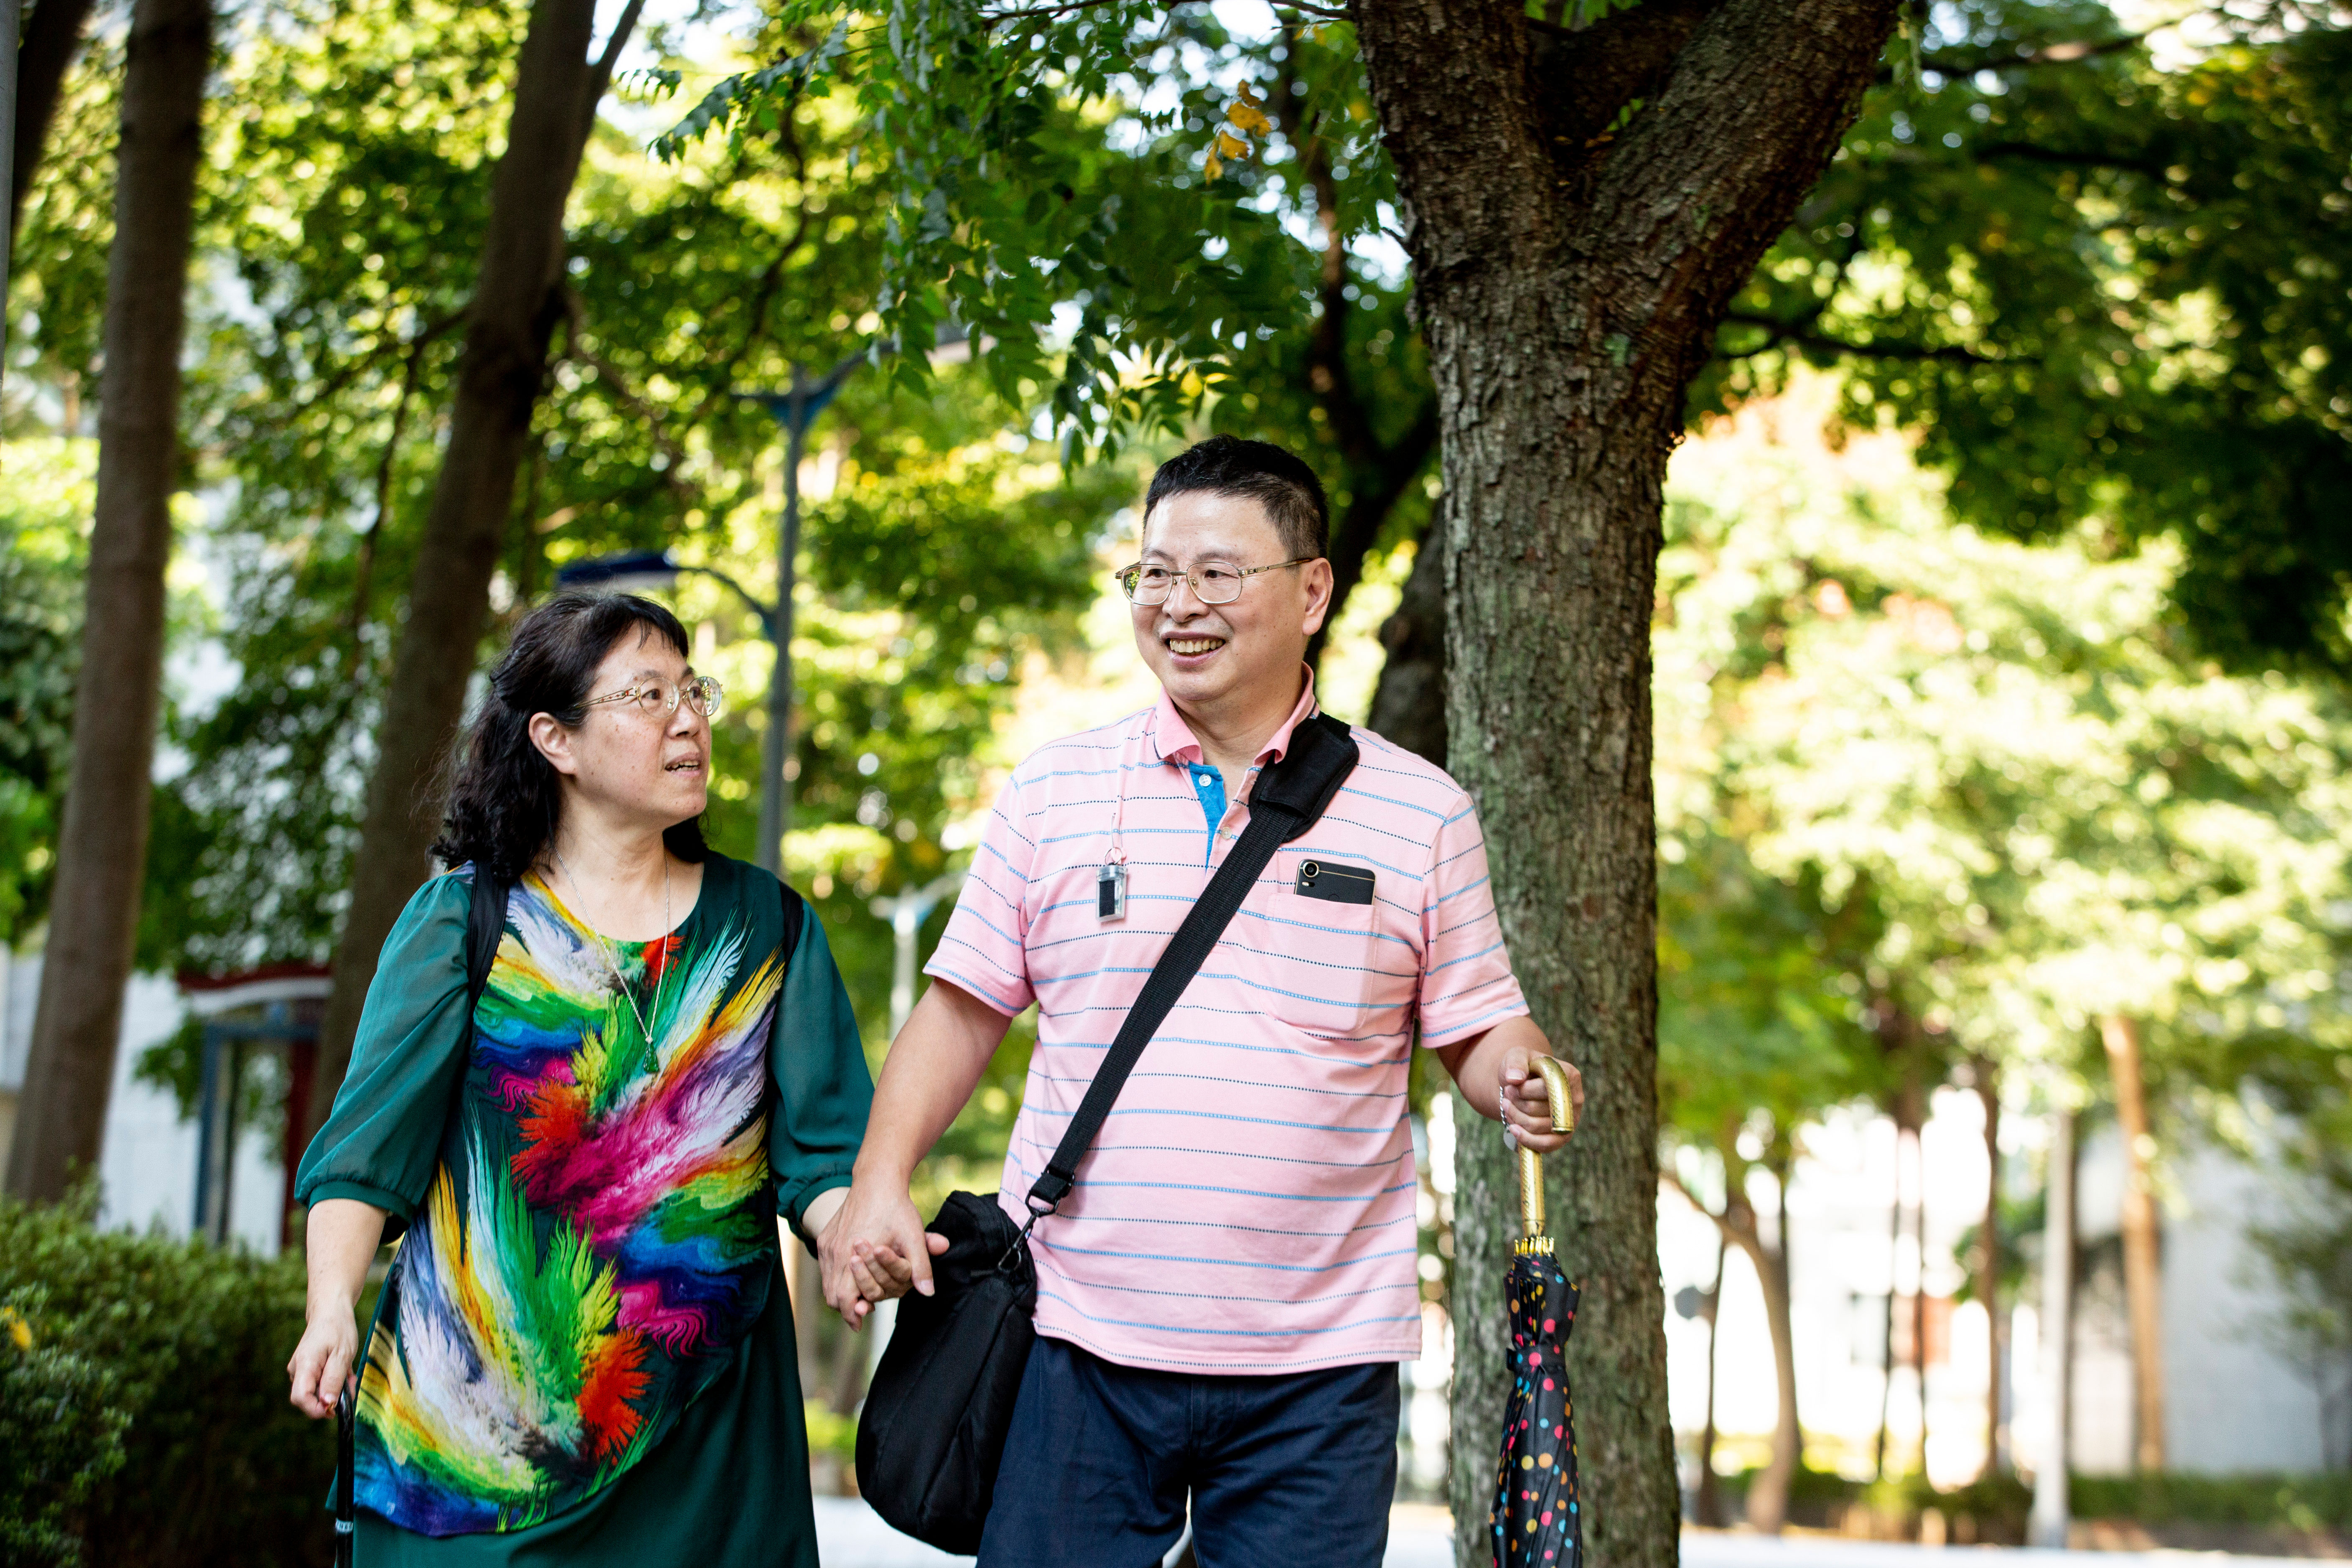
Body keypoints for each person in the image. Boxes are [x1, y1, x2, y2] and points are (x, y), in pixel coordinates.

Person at [830, 435, 1585, 1567]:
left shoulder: (1419, 813)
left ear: (1312, 590)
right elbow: (962, 1009)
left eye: (1217, 573)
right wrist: (876, 1181)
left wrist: (1525, 1072)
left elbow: (1476, 1026)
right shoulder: (1054, 790)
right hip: (1074, 1338)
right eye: (1154, 573)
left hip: (1317, 1372)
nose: (1178, 604)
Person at [285, 593, 875, 1565]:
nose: (688, 718)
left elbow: (824, 1159)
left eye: (693, 689)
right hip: (470, 1463)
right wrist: (328, 1307)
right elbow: (364, 1156)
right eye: (648, 695)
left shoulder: (765, 927)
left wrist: (855, 1237)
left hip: (706, 1461)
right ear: (555, 739)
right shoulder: (462, 923)